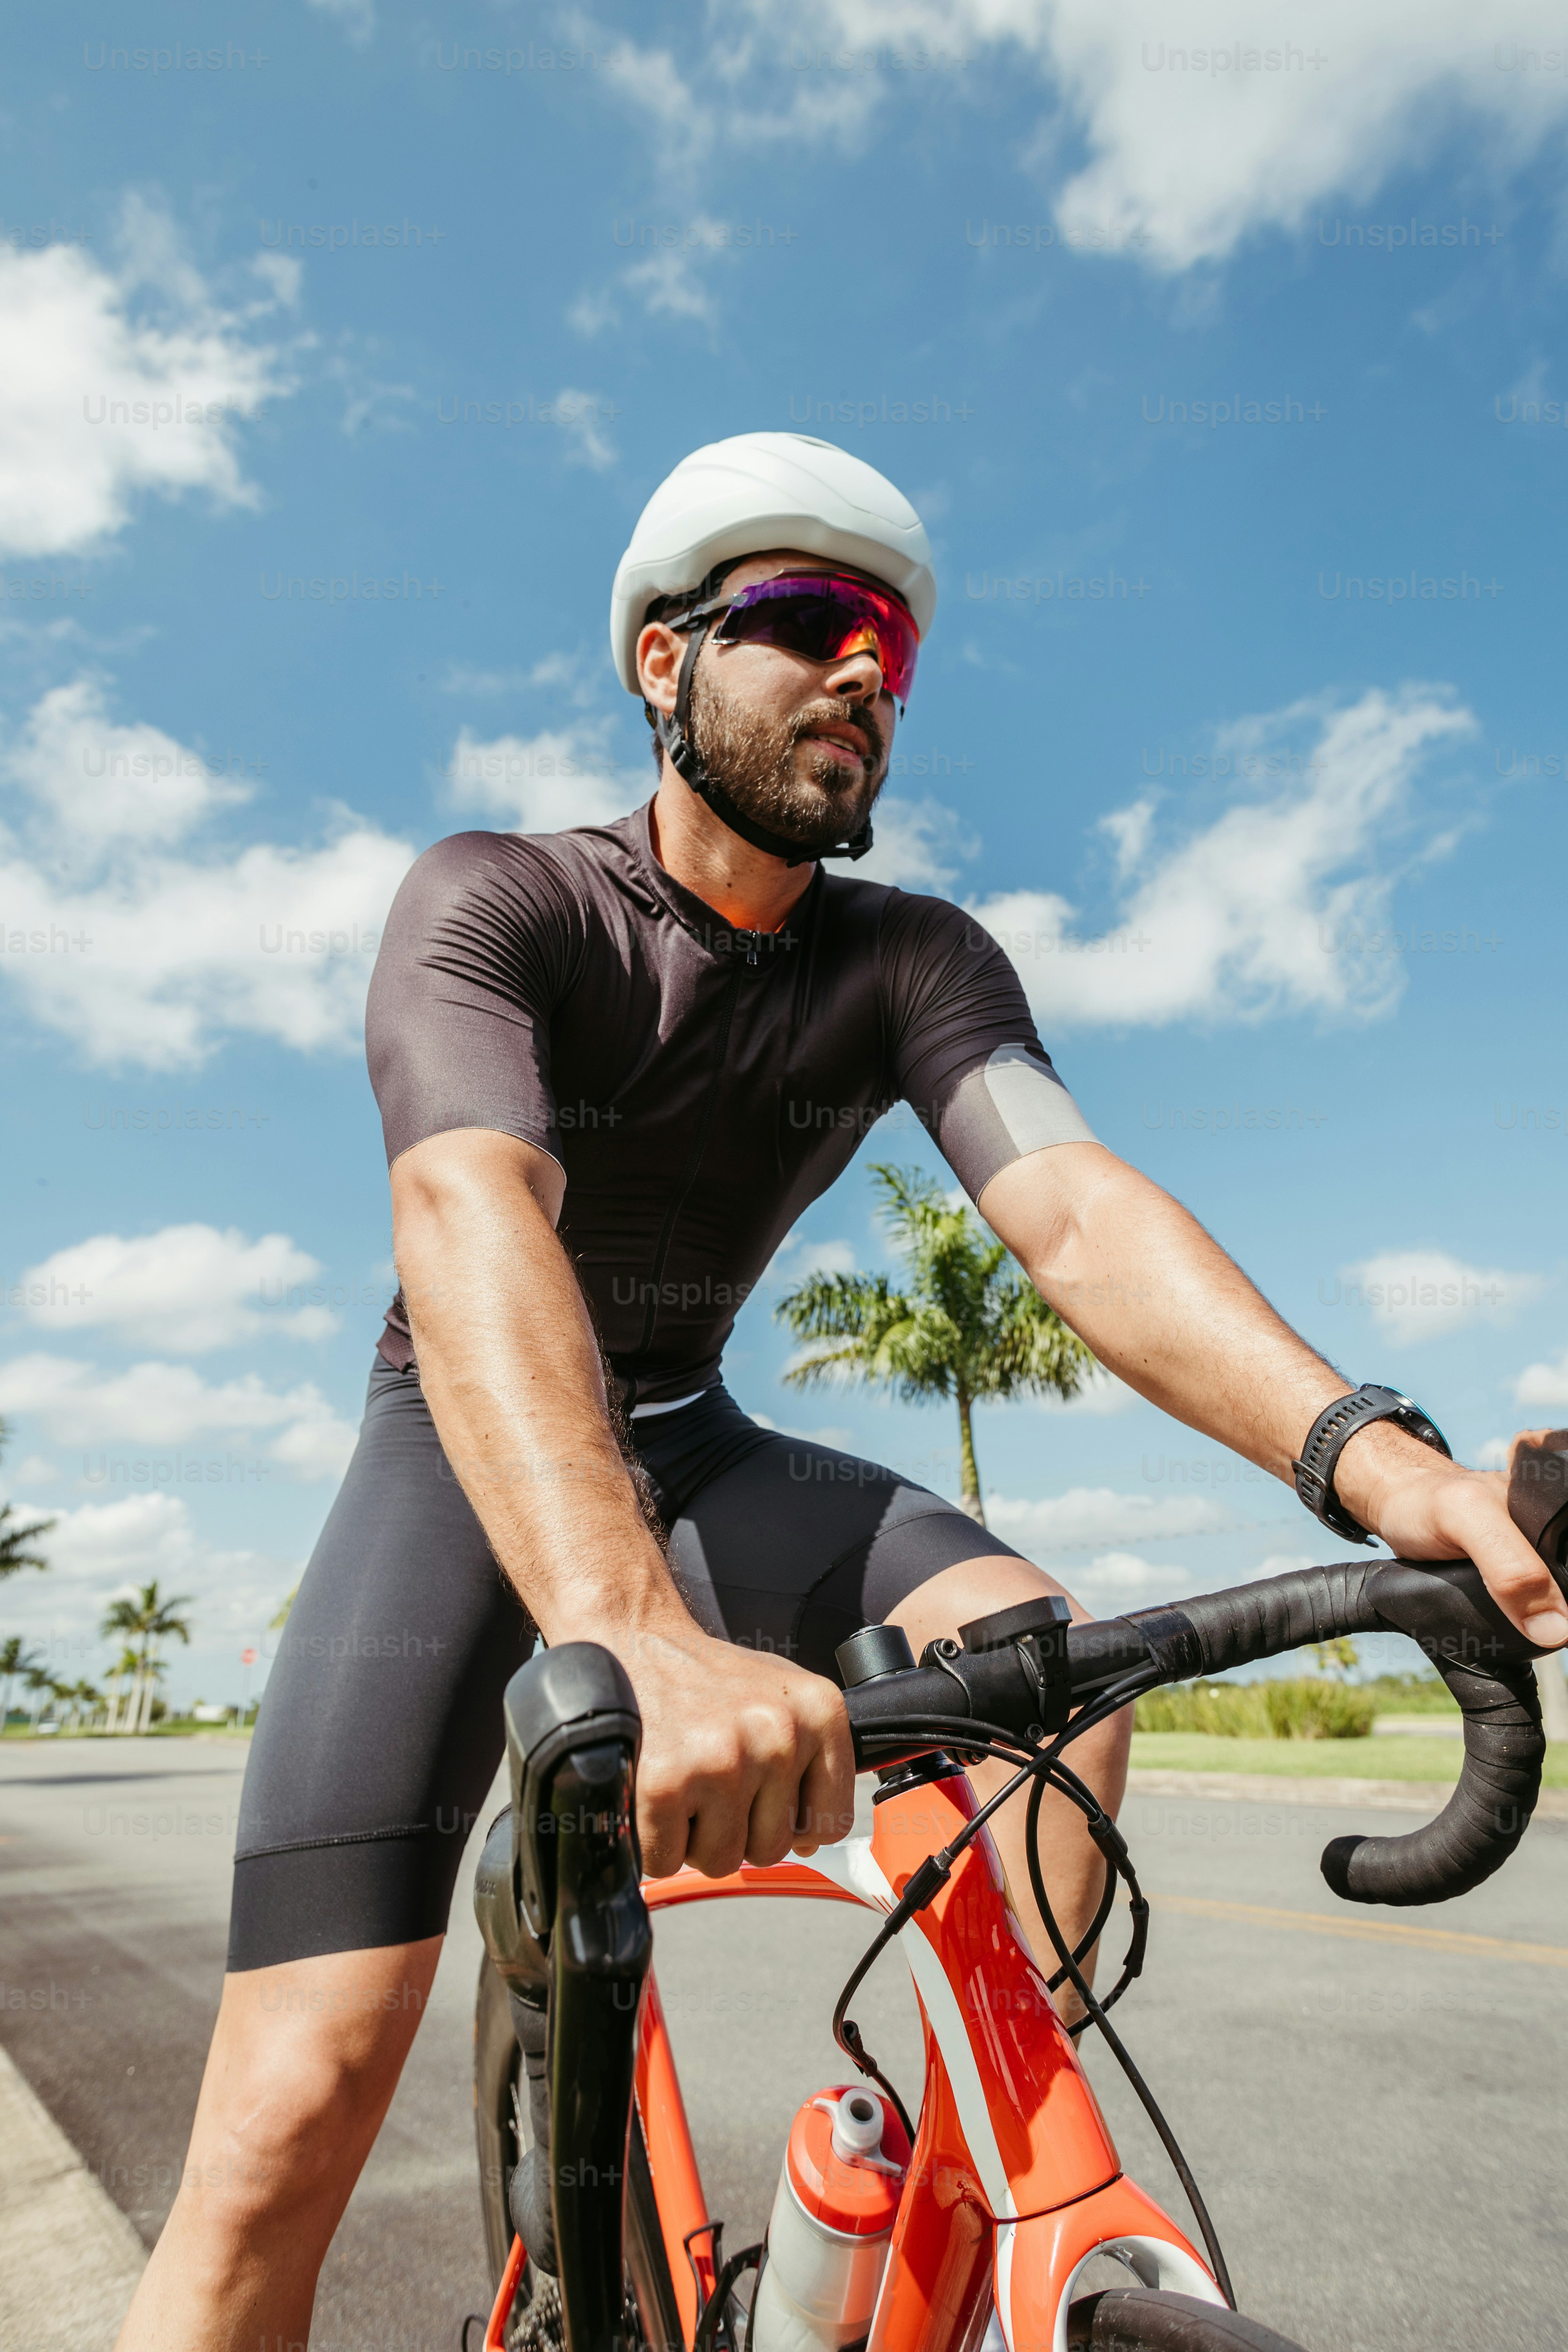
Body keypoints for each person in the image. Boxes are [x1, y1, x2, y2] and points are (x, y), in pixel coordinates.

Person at [116, 434, 1567, 2352]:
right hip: (460, 1463)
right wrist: (628, 1616)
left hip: (694, 1435)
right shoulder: (501, 898)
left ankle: (964, 2208)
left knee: (1035, 1656)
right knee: (280, 2127)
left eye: (887, 632)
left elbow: (1074, 1213)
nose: (864, 666)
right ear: (662, 659)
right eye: (804, 618)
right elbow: (469, 1203)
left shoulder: (912, 960)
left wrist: (1378, 1462)